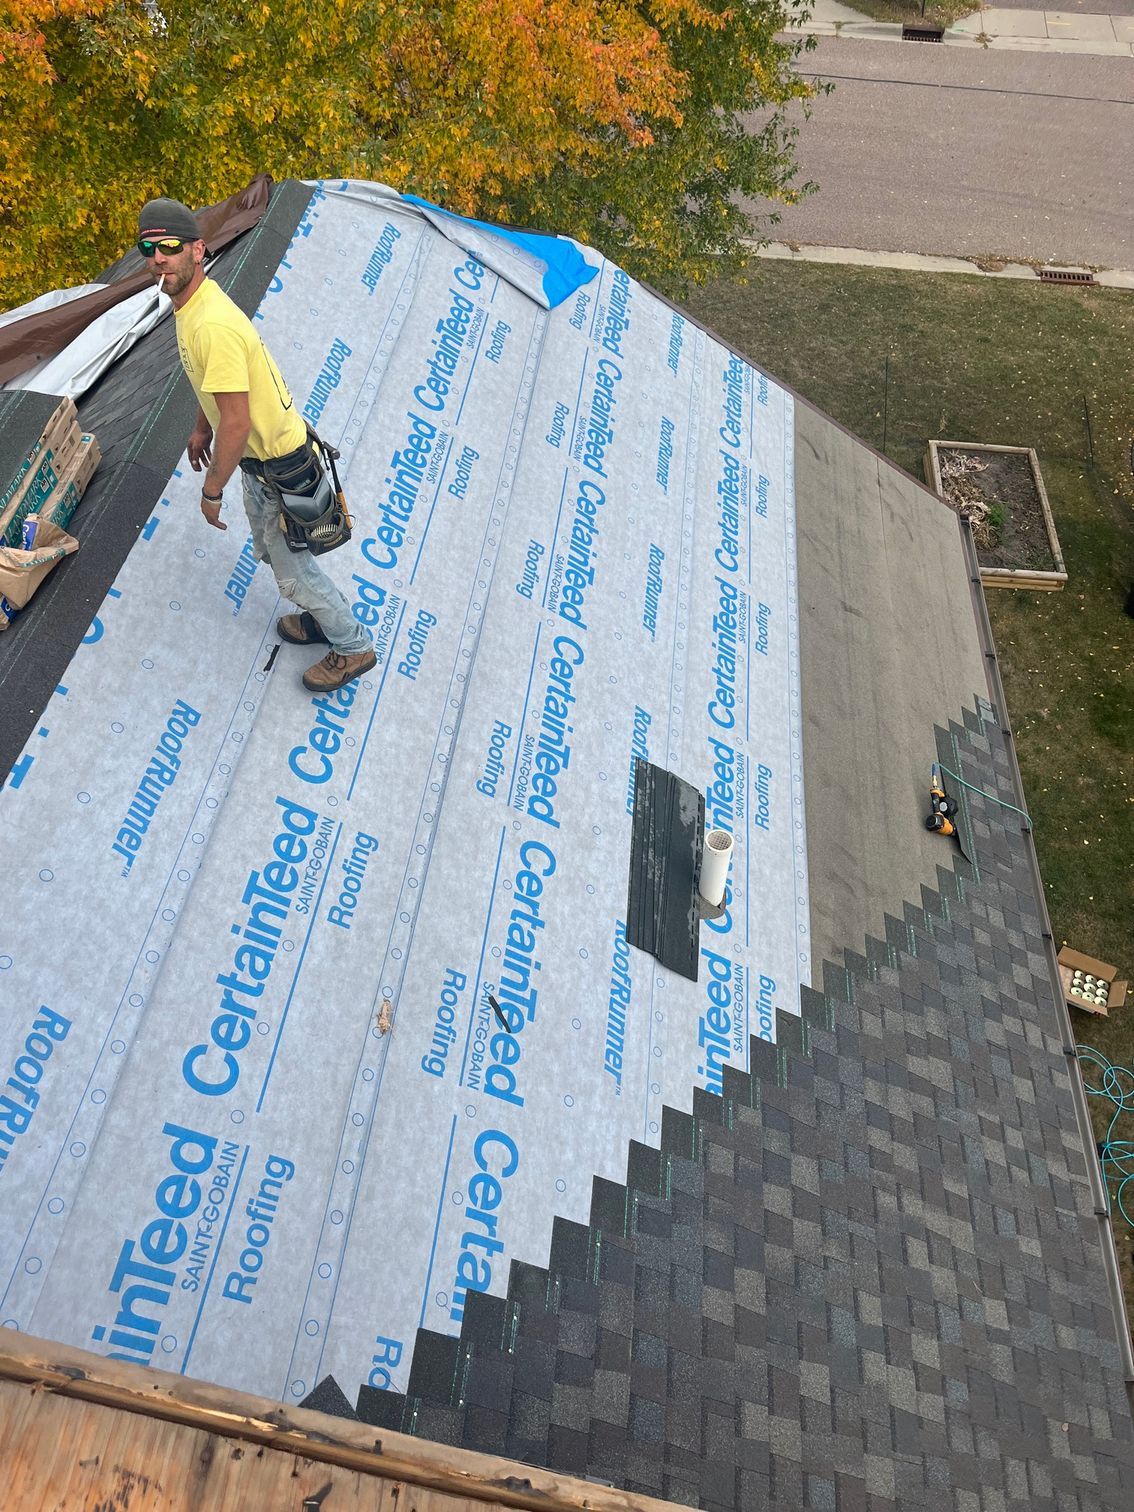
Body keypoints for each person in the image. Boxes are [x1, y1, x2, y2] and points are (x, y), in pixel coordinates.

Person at [137, 197, 376, 693]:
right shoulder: (193, 307)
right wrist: (202, 426)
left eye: (171, 247)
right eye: (149, 248)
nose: (159, 258)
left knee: (292, 571)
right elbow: (215, 387)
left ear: (198, 250)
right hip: (260, 465)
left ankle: (353, 647)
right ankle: (322, 615)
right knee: (272, 552)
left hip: (279, 467)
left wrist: (211, 487)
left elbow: (239, 423)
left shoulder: (211, 325)